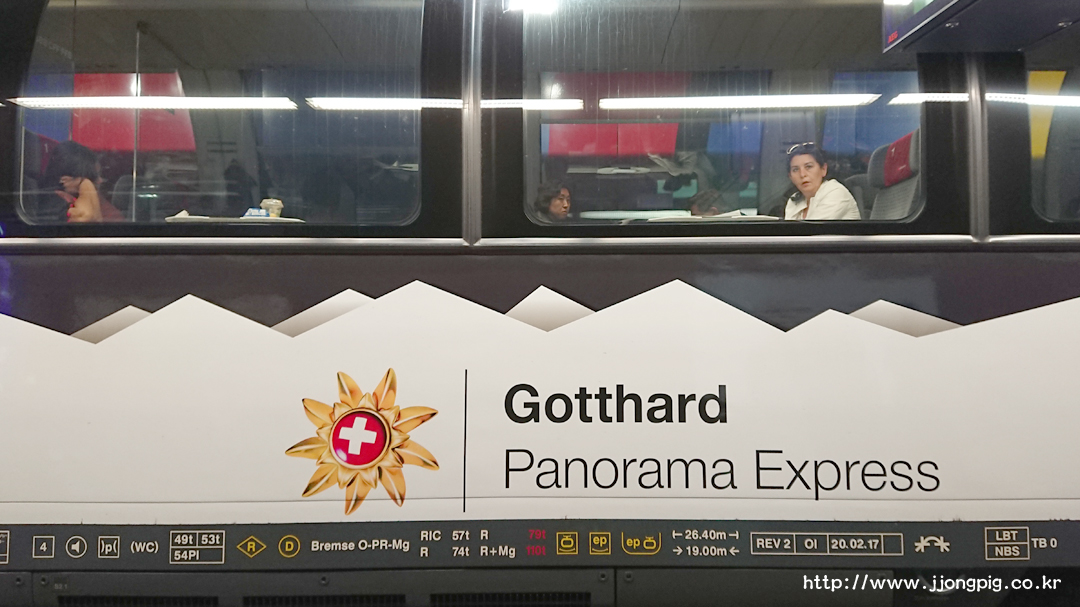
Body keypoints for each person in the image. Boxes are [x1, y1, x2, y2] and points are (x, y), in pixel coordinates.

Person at [42, 141, 123, 223]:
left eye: (99, 174)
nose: (100, 180)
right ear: (66, 180)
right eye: (92, 177)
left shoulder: (98, 202)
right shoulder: (57, 210)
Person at [784, 143, 860, 220]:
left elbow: (813, 227)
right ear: (790, 176)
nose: (802, 174)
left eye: (809, 167)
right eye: (795, 169)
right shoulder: (794, 200)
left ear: (823, 169)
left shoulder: (836, 193)